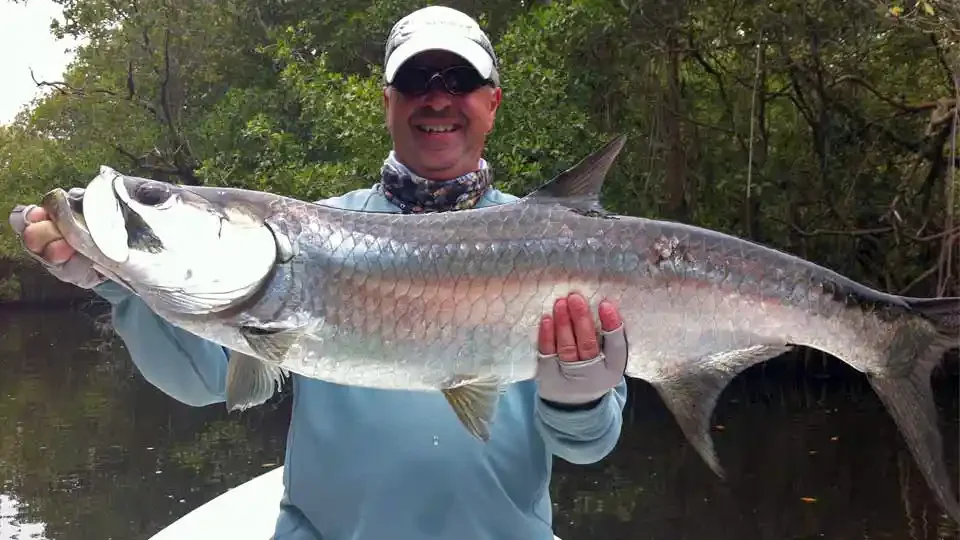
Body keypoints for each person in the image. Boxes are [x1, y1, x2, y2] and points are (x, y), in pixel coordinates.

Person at [10, 6, 628, 540]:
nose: (437, 96)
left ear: (491, 103)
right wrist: (122, 284)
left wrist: (580, 397)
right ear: (388, 102)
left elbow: (589, 445)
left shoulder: (561, 245)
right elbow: (202, 379)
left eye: (459, 80)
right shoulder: (316, 232)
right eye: (415, 80)